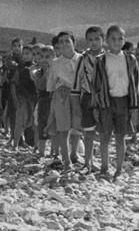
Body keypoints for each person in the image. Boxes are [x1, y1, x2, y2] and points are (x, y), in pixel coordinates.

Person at [92, 25, 139, 180]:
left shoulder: (130, 59)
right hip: (106, 103)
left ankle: (119, 168)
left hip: (124, 102)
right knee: (105, 136)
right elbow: (96, 84)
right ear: (106, 40)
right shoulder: (101, 60)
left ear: (124, 40)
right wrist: (95, 106)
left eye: (120, 38)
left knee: (120, 137)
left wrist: (134, 106)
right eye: (113, 38)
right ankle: (104, 167)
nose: (117, 42)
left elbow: (135, 82)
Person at [70, 26, 105, 172]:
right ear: (86, 41)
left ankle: (104, 163)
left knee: (104, 132)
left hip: (105, 99)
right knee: (89, 131)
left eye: (97, 39)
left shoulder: (108, 57)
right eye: (90, 39)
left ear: (103, 39)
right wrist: (76, 102)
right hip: (88, 97)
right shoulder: (83, 58)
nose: (94, 42)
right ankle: (87, 162)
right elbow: (77, 81)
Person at [46, 32, 82, 172]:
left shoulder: (82, 59)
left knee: (77, 127)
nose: (64, 44)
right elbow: (51, 84)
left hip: (78, 95)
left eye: (67, 41)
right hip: (62, 97)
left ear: (74, 42)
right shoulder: (55, 63)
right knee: (63, 129)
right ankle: (66, 160)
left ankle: (74, 153)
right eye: (61, 42)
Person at [11, 45, 37, 150]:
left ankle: (35, 145)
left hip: (33, 98)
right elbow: (14, 82)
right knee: (20, 121)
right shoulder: (20, 68)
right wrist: (15, 97)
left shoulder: (36, 67)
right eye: (24, 53)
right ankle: (15, 145)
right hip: (22, 97)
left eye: (28, 54)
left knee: (33, 122)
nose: (25, 56)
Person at [32, 46, 53, 157]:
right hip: (43, 101)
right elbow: (40, 85)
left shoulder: (55, 70)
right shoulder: (37, 73)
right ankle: (41, 151)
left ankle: (54, 152)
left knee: (54, 125)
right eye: (42, 57)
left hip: (54, 100)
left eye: (48, 57)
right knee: (41, 124)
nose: (44, 59)